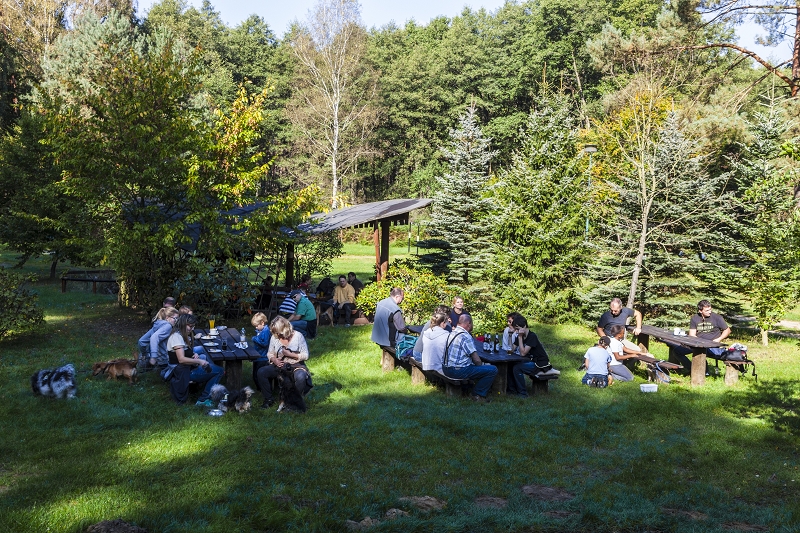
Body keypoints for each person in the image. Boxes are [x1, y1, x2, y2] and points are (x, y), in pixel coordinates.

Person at [255, 317, 313, 410]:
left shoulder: (298, 336)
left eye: (278, 332)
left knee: (301, 376)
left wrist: (291, 354)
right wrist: (274, 360)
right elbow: (270, 353)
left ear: (285, 329)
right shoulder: (275, 337)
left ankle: (292, 402)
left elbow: (306, 355)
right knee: (261, 372)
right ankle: (268, 399)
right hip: (280, 366)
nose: (277, 335)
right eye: (275, 333)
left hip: (295, 365)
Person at [166, 314, 224, 406]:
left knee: (210, 365)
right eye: (190, 326)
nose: (192, 329)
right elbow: (181, 359)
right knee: (219, 371)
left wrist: (193, 354)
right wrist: (199, 361)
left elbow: (184, 352)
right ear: (183, 324)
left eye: (193, 326)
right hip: (182, 372)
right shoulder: (176, 337)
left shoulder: (180, 334)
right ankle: (203, 399)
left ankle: (204, 391)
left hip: (185, 368)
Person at [442, 314, 497, 402]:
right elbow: (477, 360)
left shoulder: (452, 333)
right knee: (492, 369)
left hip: (445, 368)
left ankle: (474, 388)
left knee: (480, 367)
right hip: (457, 371)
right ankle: (477, 395)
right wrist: (482, 366)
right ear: (468, 324)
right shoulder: (465, 336)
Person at [508, 315, 560, 396]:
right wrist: (510, 335)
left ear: (524, 326)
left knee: (517, 368)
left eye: (518, 329)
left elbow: (523, 353)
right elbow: (511, 349)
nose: (517, 332)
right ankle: (512, 389)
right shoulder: (520, 336)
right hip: (530, 360)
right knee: (510, 365)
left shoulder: (532, 336)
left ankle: (522, 393)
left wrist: (520, 338)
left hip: (539, 363)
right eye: (516, 330)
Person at [671, 299, 731, 369]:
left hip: (712, 345)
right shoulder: (695, 318)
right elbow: (692, 334)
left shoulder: (717, 317)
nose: (710, 312)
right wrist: (697, 342)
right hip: (697, 344)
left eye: (710, 309)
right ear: (700, 311)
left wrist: (719, 339)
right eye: (707, 310)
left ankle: (704, 370)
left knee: (700, 353)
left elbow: (727, 330)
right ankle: (690, 368)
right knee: (677, 351)